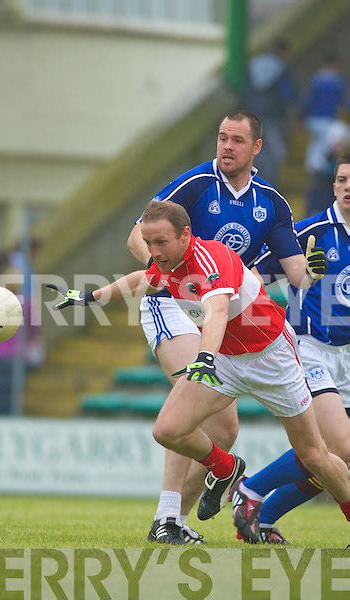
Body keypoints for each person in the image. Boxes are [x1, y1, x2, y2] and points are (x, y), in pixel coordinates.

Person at [47, 200, 350, 545]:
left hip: (272, 359)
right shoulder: (168, 263)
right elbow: (143, 281)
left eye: (161, 242)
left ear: (185, 234)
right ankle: (225, 469)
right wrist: (89, 296)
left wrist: (204, 357)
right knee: (168, 430)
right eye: (148, 243)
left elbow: (217, 310)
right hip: (225, 359)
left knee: (315, 456)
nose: (154, 251)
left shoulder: (212, 258)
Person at [126, 110, 327, 545]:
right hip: (173, 302)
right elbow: (136, 237)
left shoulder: (271, 201)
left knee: (224, 430)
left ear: (257, 146)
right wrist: (172, 276)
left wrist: (312, 273)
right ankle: (166, 516)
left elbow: (297, 274)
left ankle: (182, 514)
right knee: (186, 387)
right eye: (221, 138)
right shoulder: (196, 185)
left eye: (237, 140)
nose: (226, 147)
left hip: (224, 311)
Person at [230, 153, 350, 544]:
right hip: (311, 349)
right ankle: (251, 488)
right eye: (341, 180)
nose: (347, 188)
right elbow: (251, 275)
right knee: (340, 447)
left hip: (347, 357)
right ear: (333, 186)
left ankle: (259, 512)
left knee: (335, 461)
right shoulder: (311, 230)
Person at [243, 39, 297, 186]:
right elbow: (289, 93)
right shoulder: (282, 69)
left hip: (253, 116)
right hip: (274, 117)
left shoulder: (254, 65)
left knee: (254, 151)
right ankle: (270, 186)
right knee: (276, 153)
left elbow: (245, 90)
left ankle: (252, 184)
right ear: (284, 53)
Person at [302, 54, 349, 177]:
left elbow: (307, 99)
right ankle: (316, 165)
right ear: (334, 66)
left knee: (316, 141)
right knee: (326, 141)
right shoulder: (337, 81)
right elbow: (344, 99)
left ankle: (312, 164)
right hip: (327, 117)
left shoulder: (316, 79)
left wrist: (301, 117)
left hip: (312, 118)